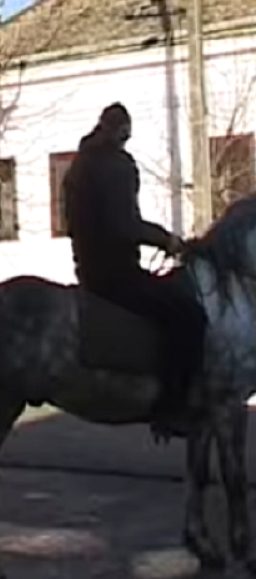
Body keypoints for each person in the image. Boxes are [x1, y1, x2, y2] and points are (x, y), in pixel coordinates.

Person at [63, 102, 207, 428]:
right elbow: (124, 225)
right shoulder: (116, 165)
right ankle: (173, 407)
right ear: (122, 131)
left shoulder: (78, 165)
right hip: (117, 271)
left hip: (88, 267)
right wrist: (167, 241)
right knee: (188, 316)